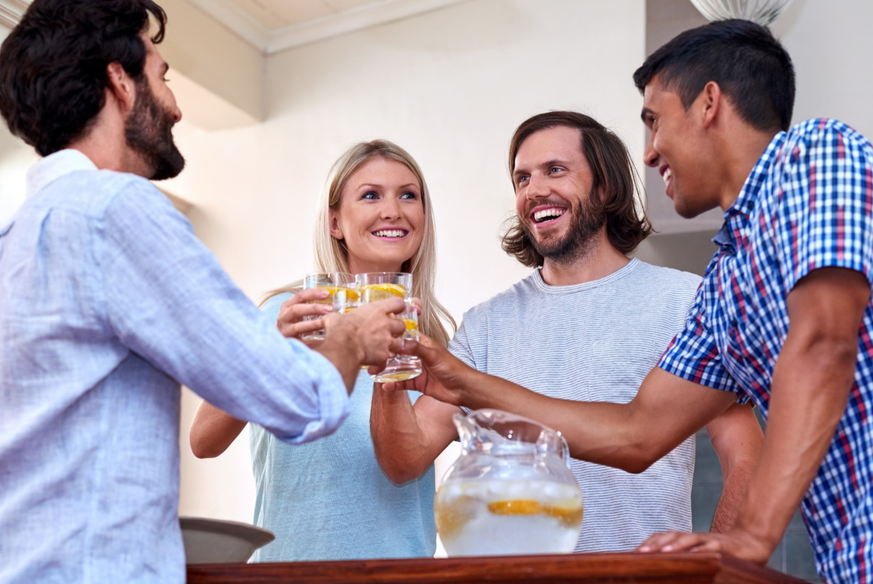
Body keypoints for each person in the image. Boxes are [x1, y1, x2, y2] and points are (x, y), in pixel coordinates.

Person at [388, 20, 873, 584]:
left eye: (654, 121)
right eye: (521, 176)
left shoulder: (816, 153)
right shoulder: (723, 280)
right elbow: (637, 434)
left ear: (709, 104)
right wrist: (459, 379)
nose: (649, 153)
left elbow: (823, 346)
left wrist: (745, 541)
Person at [0, 2, 408, 583]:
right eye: (162, 77)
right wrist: (351, 337)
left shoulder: (15, 235)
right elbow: (299, 399)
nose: (175, 106)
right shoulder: (116, 209)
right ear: (120, 81)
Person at [371, 110, 764, 552]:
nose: (534, 190)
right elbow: (406, 460)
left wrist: (716, 570)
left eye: (554, 170)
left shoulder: (685, 300)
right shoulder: (484, 324)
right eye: (522, 179)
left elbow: (746, 457)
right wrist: (388, 376)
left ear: (605, 185)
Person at [188, 140, 456, 561]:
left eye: (409, 195)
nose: (393, 210)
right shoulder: (287, 315)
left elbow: (404, 466)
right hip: (287, 571)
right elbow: (203, 441)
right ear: (335, 222)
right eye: (371, 195)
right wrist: (270, 352)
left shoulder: (436, 344)